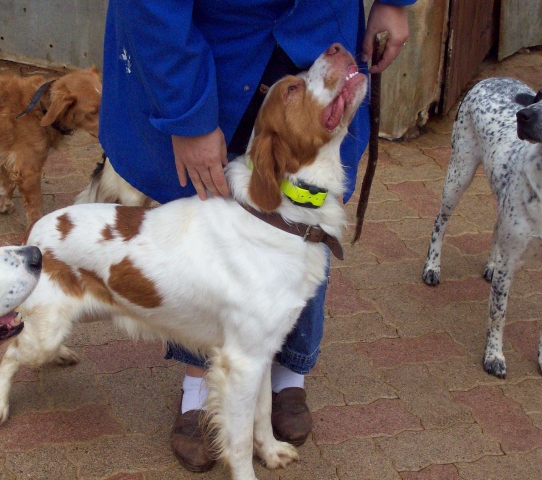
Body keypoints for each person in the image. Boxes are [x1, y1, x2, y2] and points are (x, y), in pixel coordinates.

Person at [99, 0, 414, 472]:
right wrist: (188, 114)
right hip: (214, 35)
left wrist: (393, 1)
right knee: (205, 216)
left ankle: (288, 372)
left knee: (306, 214)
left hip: (316, 15)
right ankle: (200, 384)